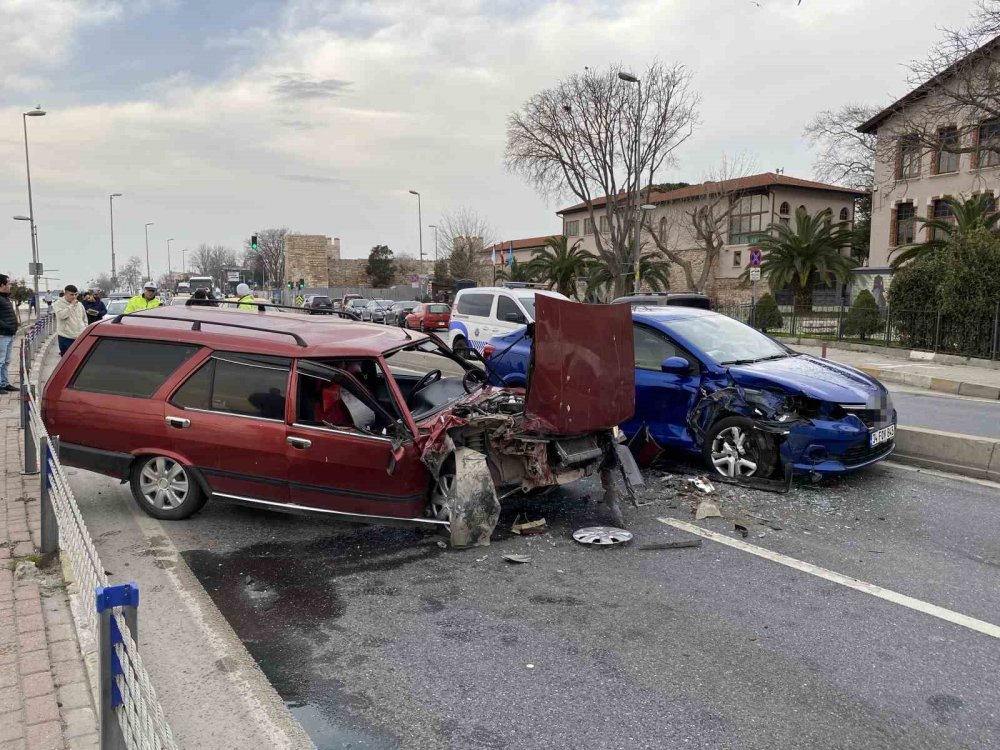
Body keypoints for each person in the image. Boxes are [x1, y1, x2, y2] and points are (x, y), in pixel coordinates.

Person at [53, 284, 88, 355]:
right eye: (71, 295)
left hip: (79, 336)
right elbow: (62, 315)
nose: (74, 297)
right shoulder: (58, 304)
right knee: (68, 360)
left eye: (76, 294)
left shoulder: (79, 304)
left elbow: (84, 318)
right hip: (66, 337)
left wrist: (85, 328)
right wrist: (71, 305)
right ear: (65, 294)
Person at [0, 275, 19, 392]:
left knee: (6, 361)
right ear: (2, 285)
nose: (10, 285)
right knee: (0, 361)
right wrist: (7, 327)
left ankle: (4, 383)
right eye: (8, 283)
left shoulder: (4, 298)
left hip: (8, 334)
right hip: (2, 334)